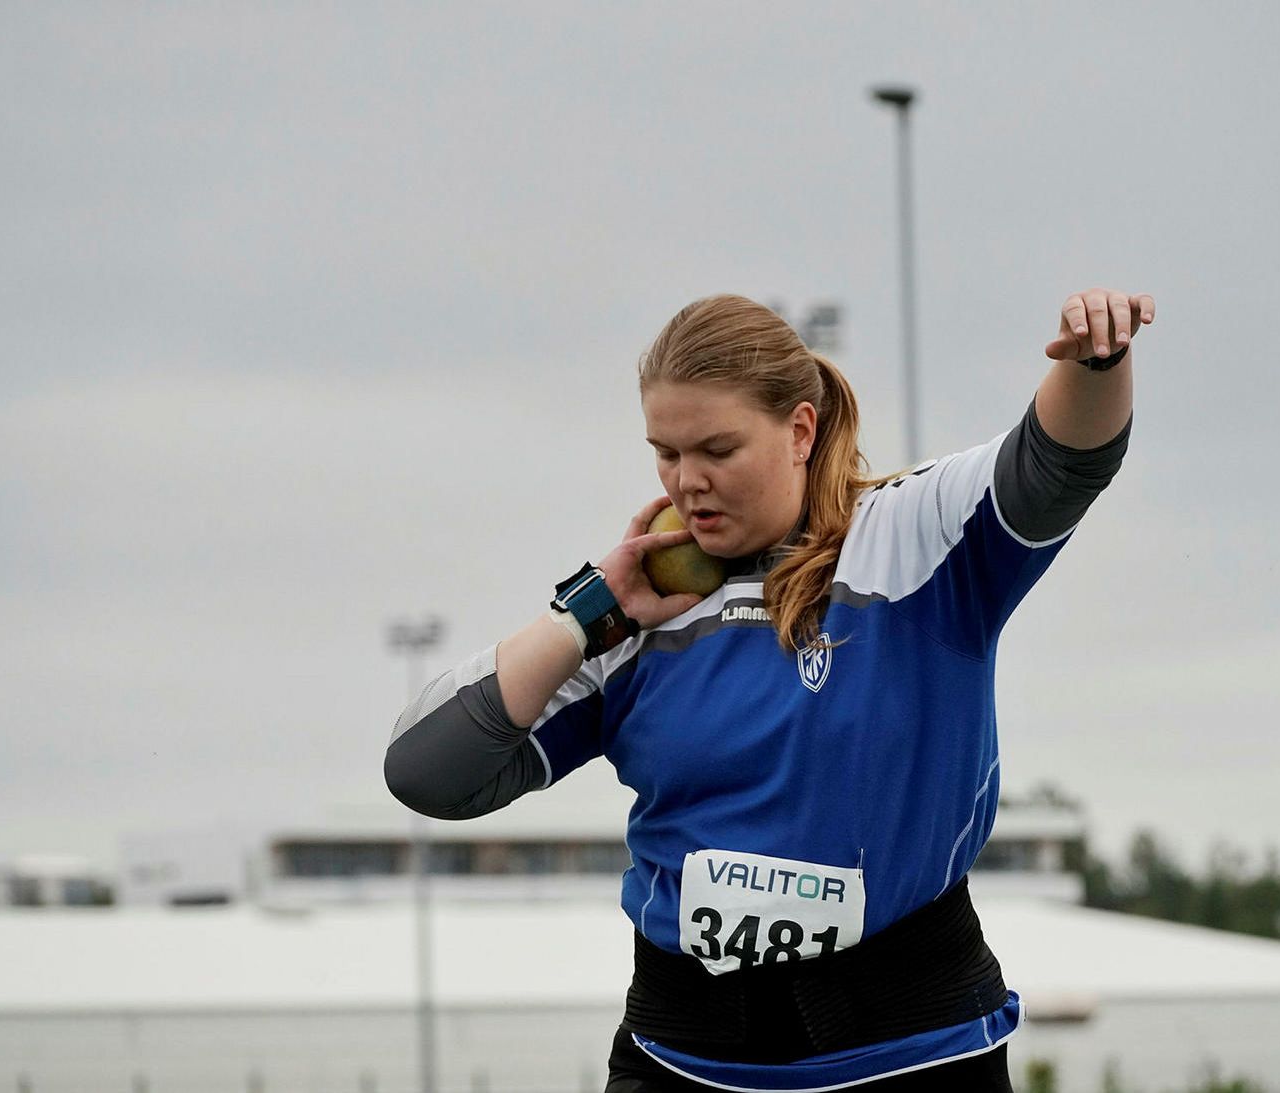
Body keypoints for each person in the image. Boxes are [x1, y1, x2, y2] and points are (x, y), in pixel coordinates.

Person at [385, 288, 1154, 1091]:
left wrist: (1100, 359)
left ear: (799, 430)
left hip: (911, 1054)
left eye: (717, 449)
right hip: (681, 1060)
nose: (688, 483)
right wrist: (586, 614)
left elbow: (1061, 460)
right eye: (665, 453)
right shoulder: (637, 606)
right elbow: (425, 772)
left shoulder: (910, 535)